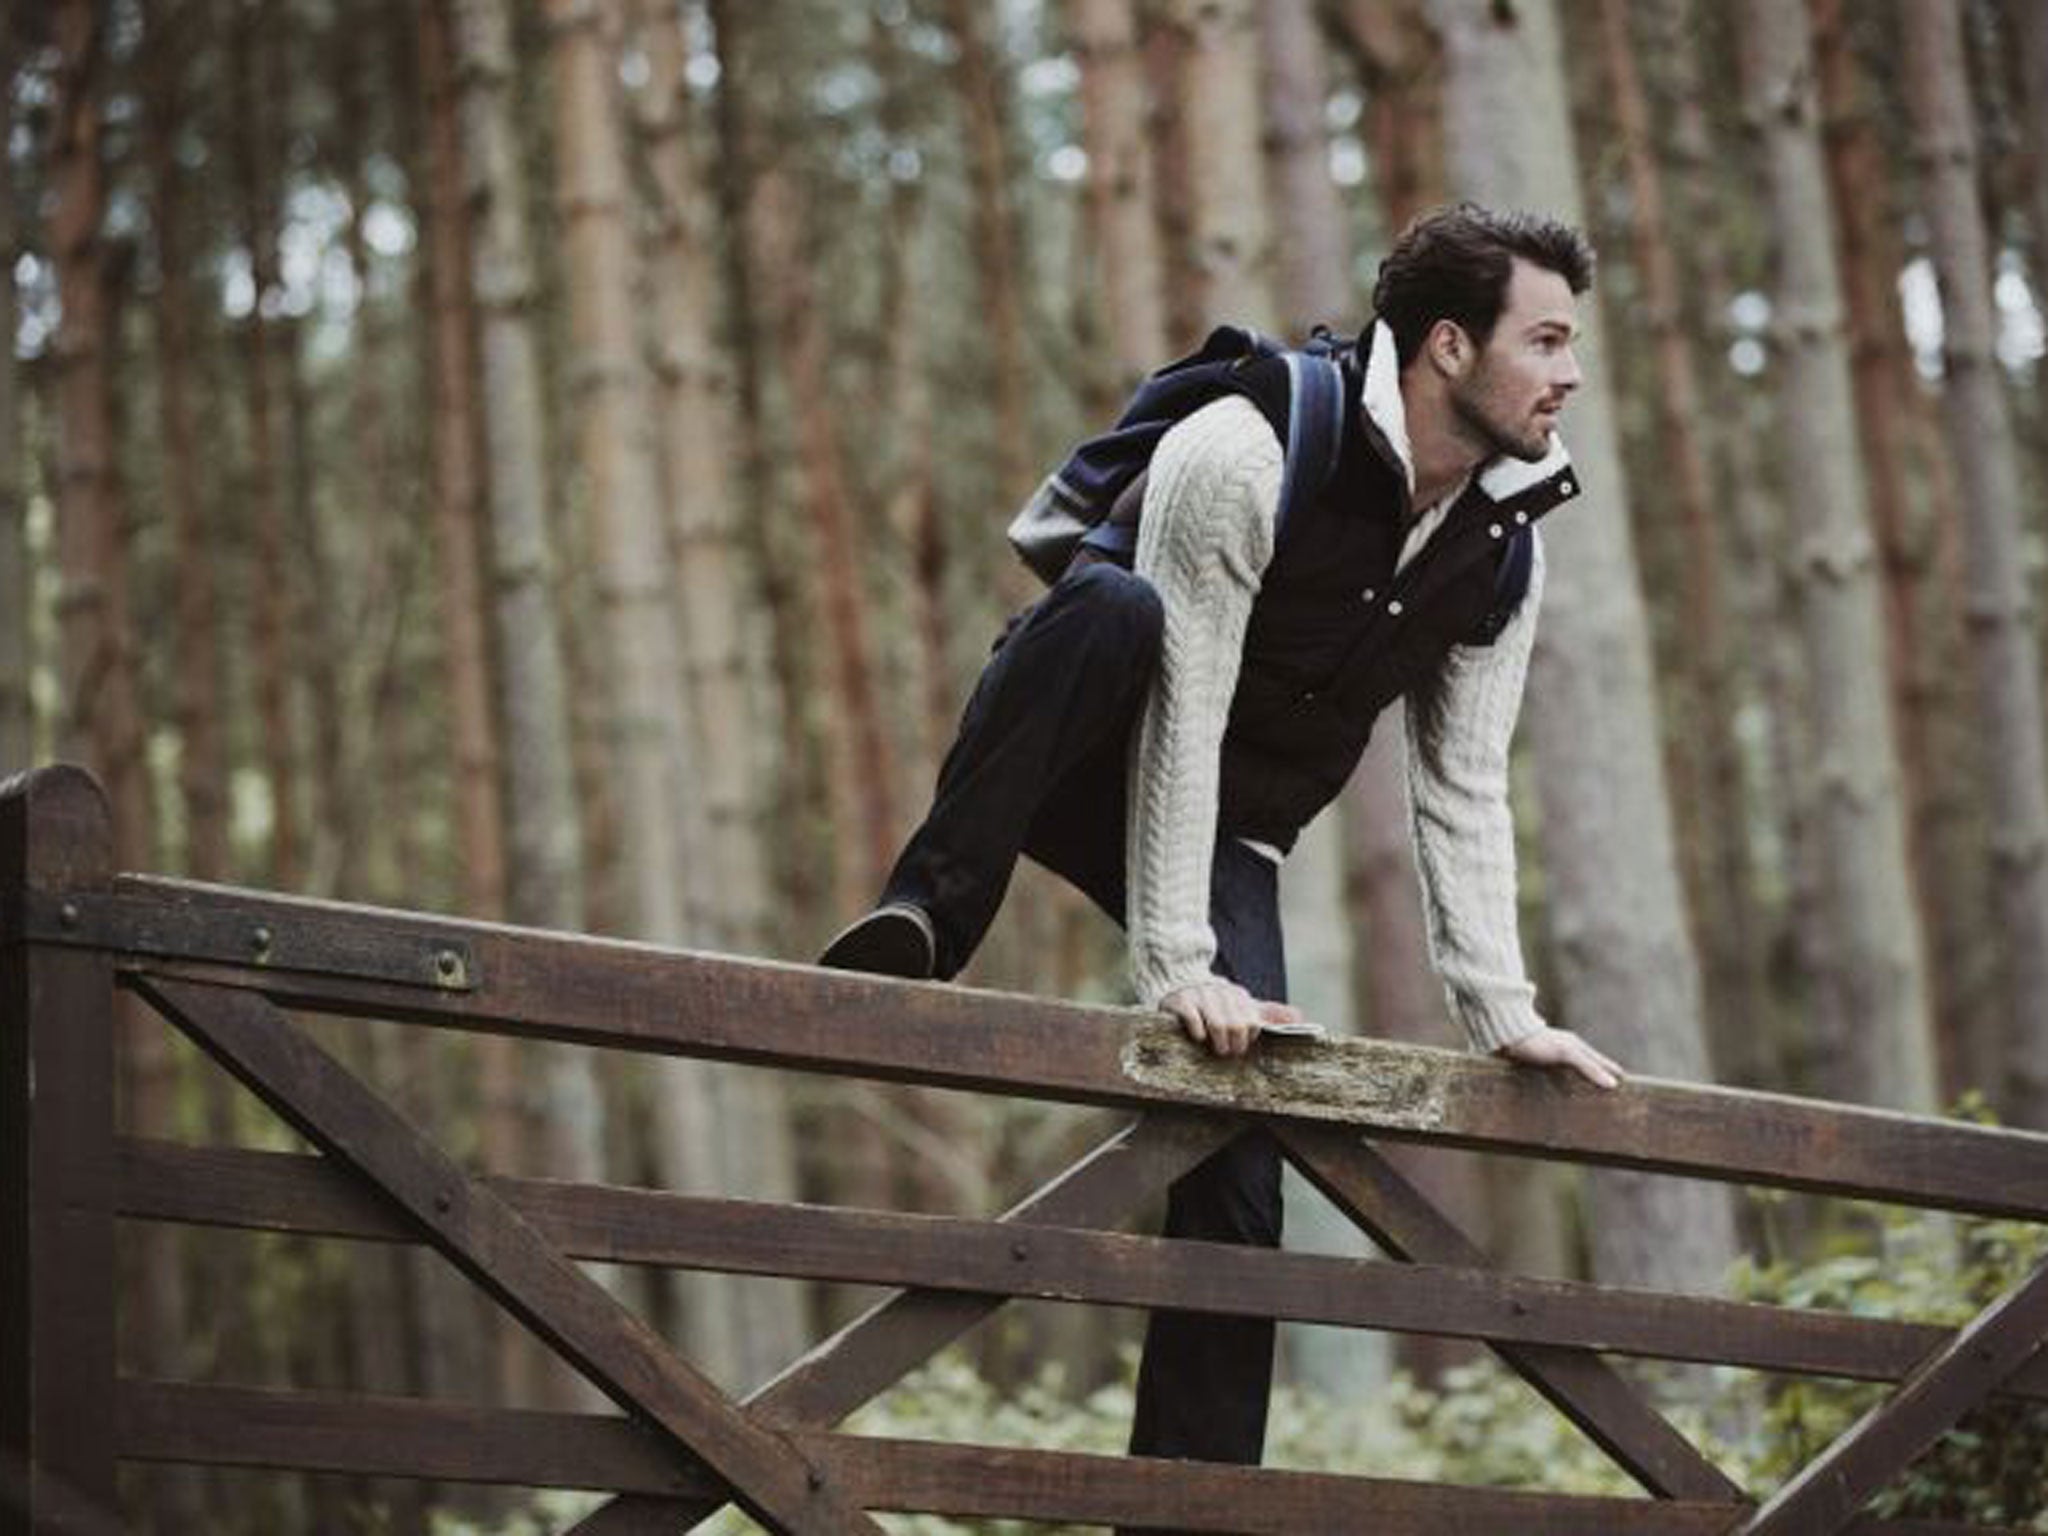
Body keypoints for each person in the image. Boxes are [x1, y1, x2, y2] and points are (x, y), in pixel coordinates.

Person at [819, 203, 1625, 1475]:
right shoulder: (1247, 446)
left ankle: (1186, 1501)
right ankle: (926, 919)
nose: (1568, 374)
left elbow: (1462, 787)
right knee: (1105, 606)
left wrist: (1500, 1009)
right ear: (1450, 348)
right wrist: (1177, 970)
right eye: (1544, 340)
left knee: (1242, 1142)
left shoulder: (1500, 541)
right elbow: (1181, 706)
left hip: (1224, 833)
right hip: (1086, 740)